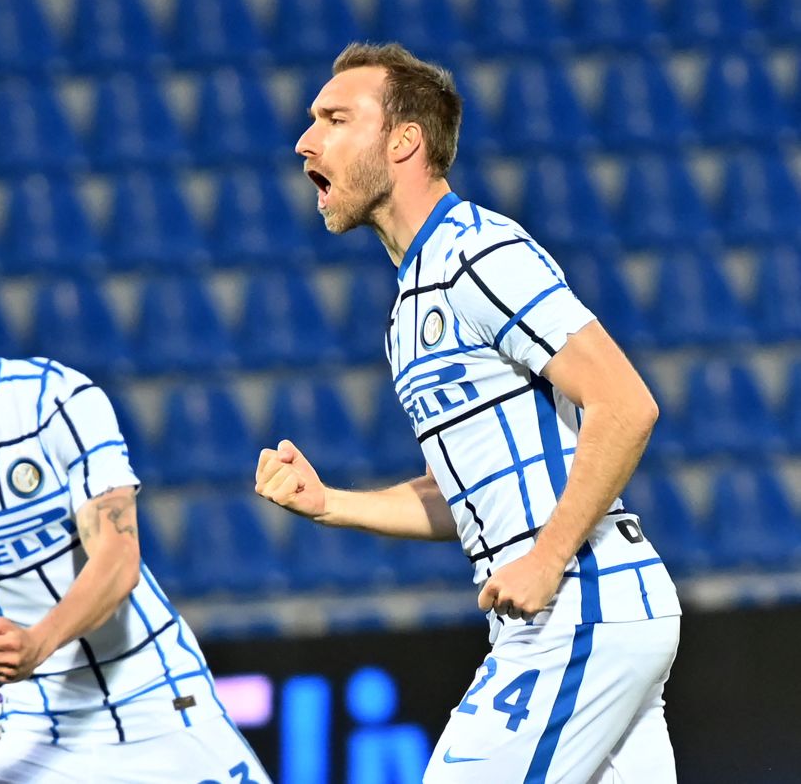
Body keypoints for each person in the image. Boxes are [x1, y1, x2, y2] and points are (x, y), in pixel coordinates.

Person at [256, 43, 681, 783]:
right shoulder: (407, 308)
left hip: (574, 611)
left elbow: (626, 403)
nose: (305, 140)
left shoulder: (478, 252)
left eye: (334, 117)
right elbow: (464, 494)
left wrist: (547, 560)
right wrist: (332, 506)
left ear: (404, 140)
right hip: (598, 612)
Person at [0, 228, 270, 783]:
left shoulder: (58, 401)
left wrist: (38, 644)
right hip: (37, 729)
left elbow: (119, 558)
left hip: (154, 699)